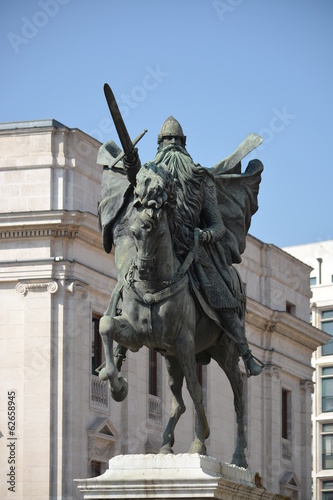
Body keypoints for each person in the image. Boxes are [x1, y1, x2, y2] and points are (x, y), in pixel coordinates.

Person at [98, 117, 264, 376]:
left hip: (192, 250)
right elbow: (136, 180)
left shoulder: (201, 178)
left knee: (222, 290)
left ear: (184, 146)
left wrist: (201, 236)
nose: (171, 148)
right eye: (168, 143)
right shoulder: (149, 176)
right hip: (153, 243)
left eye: (174, 143)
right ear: (160, 146)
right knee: (125, 282)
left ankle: (245, 352)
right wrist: (132, 165)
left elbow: (218, 227)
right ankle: (118, 354)